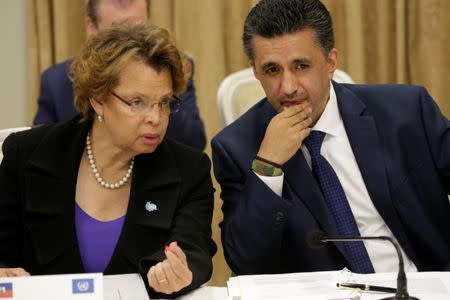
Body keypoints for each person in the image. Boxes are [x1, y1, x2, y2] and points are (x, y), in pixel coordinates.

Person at [212, 0, 450, 275]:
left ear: (330, 62)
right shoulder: (236, 147)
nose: (288, 87)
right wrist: (268, 164)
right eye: (272, 70)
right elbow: (245, 262)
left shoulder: (406, 112)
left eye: (301, 66)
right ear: (256, 71)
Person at [0, 23, 216, 298]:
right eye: (137, 102)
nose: (156, 118)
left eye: (164, 102)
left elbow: (195, 248)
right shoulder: (28, 154)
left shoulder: (189, 169)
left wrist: (180, 272)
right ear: (98, 99)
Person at [33, 0, 207, 151]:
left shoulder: (168, 69)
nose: (132, 42)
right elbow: (42, 154)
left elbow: (193, 142)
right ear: (92, 28)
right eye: (118, 33)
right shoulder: (55, 81)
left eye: (140, 28)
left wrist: (158, 96)